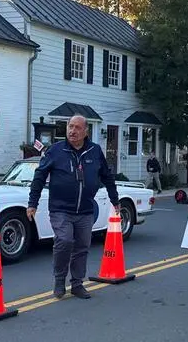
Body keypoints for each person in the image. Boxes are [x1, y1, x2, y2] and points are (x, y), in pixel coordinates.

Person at [27, 115, 119, 300]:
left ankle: (77, 284)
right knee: (65, 240)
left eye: (77, 127)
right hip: (60, 209)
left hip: (85, 210)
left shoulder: (95, 151)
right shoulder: (56, 150)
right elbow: (39, 176)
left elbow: (107, 176)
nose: (72, 131)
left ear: (86, 131)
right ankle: (59, 280)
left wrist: (114, 200)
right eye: (70, 126)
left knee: (82, 247)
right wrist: (32, 203)